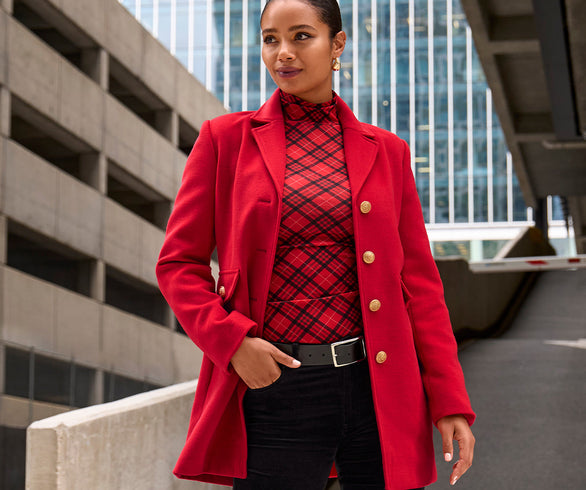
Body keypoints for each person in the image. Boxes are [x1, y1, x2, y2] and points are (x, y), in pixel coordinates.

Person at [156, 0, 475, 488]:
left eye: (301, 36)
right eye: (270, 39)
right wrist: (233, 342)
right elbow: (179, 264)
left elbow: (420, 287)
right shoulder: (225, 140)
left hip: (376, 386)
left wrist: (450, 401)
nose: (283, 53)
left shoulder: (388, 152)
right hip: (274, 384)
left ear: (337, 45)